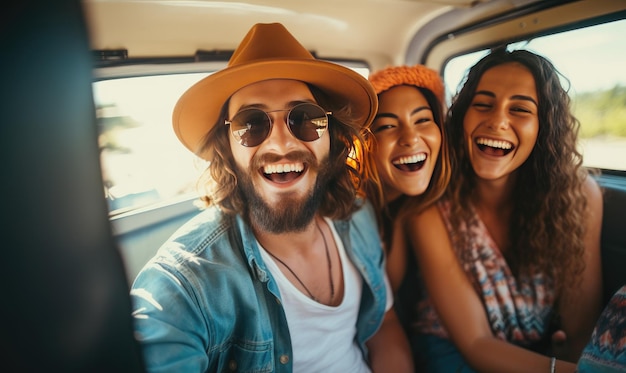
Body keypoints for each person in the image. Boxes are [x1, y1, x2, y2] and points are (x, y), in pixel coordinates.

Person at [129, 23, 413, 373]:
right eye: (251, 124)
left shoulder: (357, 214)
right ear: (227, 148)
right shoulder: (184, 284)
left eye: (305, 119)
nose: (281, 144)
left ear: (333, 137)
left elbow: (383, 326)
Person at [407, 48, 604, 372]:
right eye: (482, 104)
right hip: (454, 354)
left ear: (544, 126)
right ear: (462, 116)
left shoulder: (579, 198)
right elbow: (475, 343)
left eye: (520, 110)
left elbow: (580, 330)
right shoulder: (430, 206)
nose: (497, 121)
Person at [361, 65, 450, 331]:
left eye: (422, 120)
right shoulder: (351, 213)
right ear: (365, 143)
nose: (410, 139)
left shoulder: (430, 205)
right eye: (388, 125)